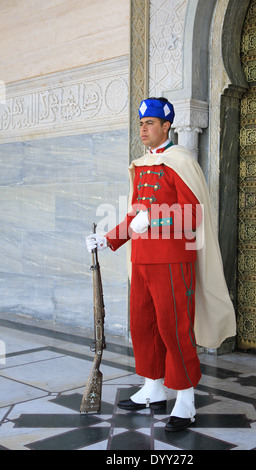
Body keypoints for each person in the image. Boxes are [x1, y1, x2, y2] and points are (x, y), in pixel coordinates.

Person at [86, 97, 236, 432]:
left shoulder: (180, 162)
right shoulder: (141, 165)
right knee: (143, 326)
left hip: (171, 262)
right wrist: (108, 240)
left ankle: (185, 398)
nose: (143, 129)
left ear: (166, 126)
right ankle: (153, 388)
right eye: (141, 123)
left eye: (150, 123)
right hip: (141, 261)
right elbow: (132, 215)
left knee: (173, 329)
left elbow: (192, 215)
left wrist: (152, 220)